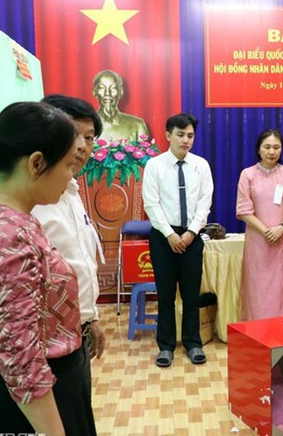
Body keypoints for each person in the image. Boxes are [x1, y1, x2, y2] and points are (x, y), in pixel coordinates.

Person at [0, 102, 96, 435]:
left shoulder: (15, 218)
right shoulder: (4, 233)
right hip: (31, 406)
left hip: (47, 389)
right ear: (36, 163)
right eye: (67, 165)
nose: (70, 176)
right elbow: (20, 360)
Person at [32, 95, 106, 397]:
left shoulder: (71, 191)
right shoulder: (30, 203)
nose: (81, 146)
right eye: (74, 134)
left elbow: (80, 264)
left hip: (76, 337)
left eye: (89, 138)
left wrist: (91, 318)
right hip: (44, 350)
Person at [142, 113, 214, 368]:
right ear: (168, 135)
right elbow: (151, 204)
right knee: (165, 295)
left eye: (190, 135)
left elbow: (205, 202)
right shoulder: (155, 166)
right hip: (163, 237)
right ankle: (166, 346)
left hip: (192, 236)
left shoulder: (201, 165)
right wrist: (170, 234)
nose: (186, 140)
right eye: (181, 135)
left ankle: (193, 343)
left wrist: (191, 232)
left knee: (191, 294)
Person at [236, 129, 283, 320]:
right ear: (259, 149)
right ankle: (257, 329)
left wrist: (281, 228)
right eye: (267, 147)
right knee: (258, 288)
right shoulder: (248, 174)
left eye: (276, 147)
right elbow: (243, 210)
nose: (272, 151)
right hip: (258, 241)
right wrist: (266, 231)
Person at [92, 69, 150, 142]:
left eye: (113, 88)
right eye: (102, 88)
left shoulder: (137, 125)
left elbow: (144, 148)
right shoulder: (84, 125)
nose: (107, 93)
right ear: (94, 92)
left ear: (121, 92)